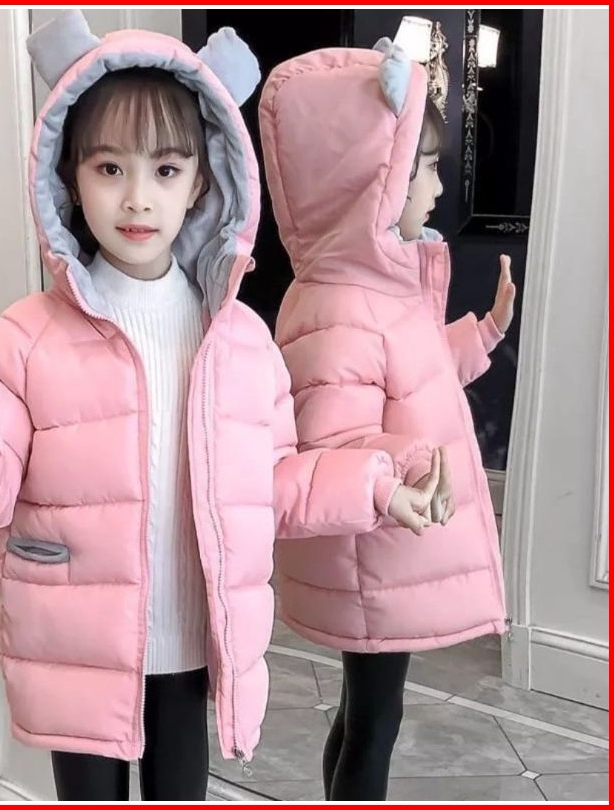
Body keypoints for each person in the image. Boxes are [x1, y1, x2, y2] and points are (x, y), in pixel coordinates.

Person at [0, 15, 440, 802]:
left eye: (166, 169)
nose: (137, 198)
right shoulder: (21, 341)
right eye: (109, 167)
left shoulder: (241, 340)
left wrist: (377, 488)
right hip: (76, 650)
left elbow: (273, 485)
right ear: (68, 176)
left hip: (190, 647)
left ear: (202, 182)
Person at [257, 38, 516, 802]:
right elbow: (335, 440)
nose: (435, 187)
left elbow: (412, 382)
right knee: (375, 719)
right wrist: (408, 463)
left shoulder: (376, 288)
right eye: (420, 168)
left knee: (367, 713)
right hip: (372, 547)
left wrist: (485, 332)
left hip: (384, 540)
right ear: (366, 183)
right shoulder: (344, 305)